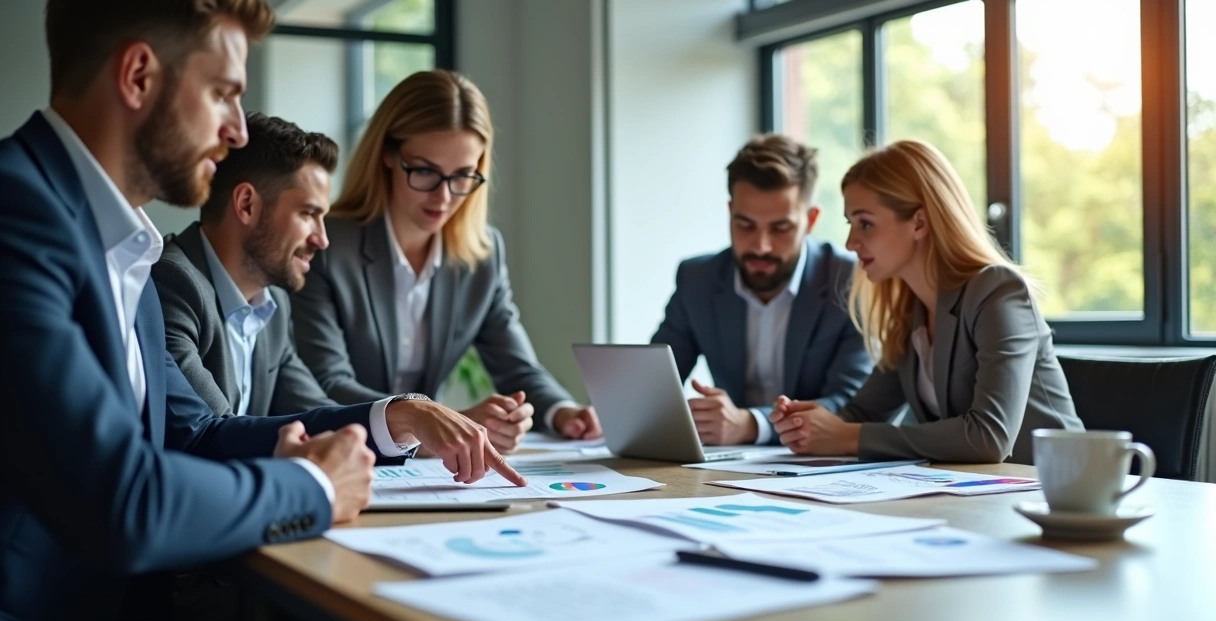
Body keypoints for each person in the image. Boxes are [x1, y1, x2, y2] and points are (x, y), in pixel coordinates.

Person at [0, 2, 522, 621]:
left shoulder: (122, 244)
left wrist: (395, 417)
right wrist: (313, 486)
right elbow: (123, 499)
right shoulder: (19, 217)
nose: (237, 132)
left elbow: (190, 435)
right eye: (223, 93)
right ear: (138, 76)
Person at [292, 69, 602, 452]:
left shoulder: (482, 256)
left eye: (462, 176)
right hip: (334, 448)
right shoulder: (324, 244)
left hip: (422, 470)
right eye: (425, 171)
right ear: (387, 153)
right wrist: (435, 421)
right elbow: (327, 381)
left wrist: (564, 413)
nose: (443, 197)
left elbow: (517, 367)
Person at [770, 140, 1084, 464]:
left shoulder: (998, 291)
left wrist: (849, 437)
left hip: (1057, 493)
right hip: (978, 496)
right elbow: (862, 414)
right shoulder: (911, 310)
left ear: (919, 222)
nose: (850, 242)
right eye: (851, 224)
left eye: (865, 223)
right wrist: (803, 422)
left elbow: (990, 437)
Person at [650, 134, 872, 446]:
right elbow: (654, 385)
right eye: (745, 225)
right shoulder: (698, 279)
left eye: (780, 228)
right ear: (729, 212)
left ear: (811, 220)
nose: (761, 246)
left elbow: (852, 404)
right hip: (728, 471)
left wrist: (751, 425)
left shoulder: (850, 281)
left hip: (816, 465)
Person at [153, 112, 339, 417]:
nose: (322, 239)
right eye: (308, 214)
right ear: (246, 205)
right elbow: (210, 433)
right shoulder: (172, 284)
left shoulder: (274, 305)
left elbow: (320, 415)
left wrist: (401, 423)